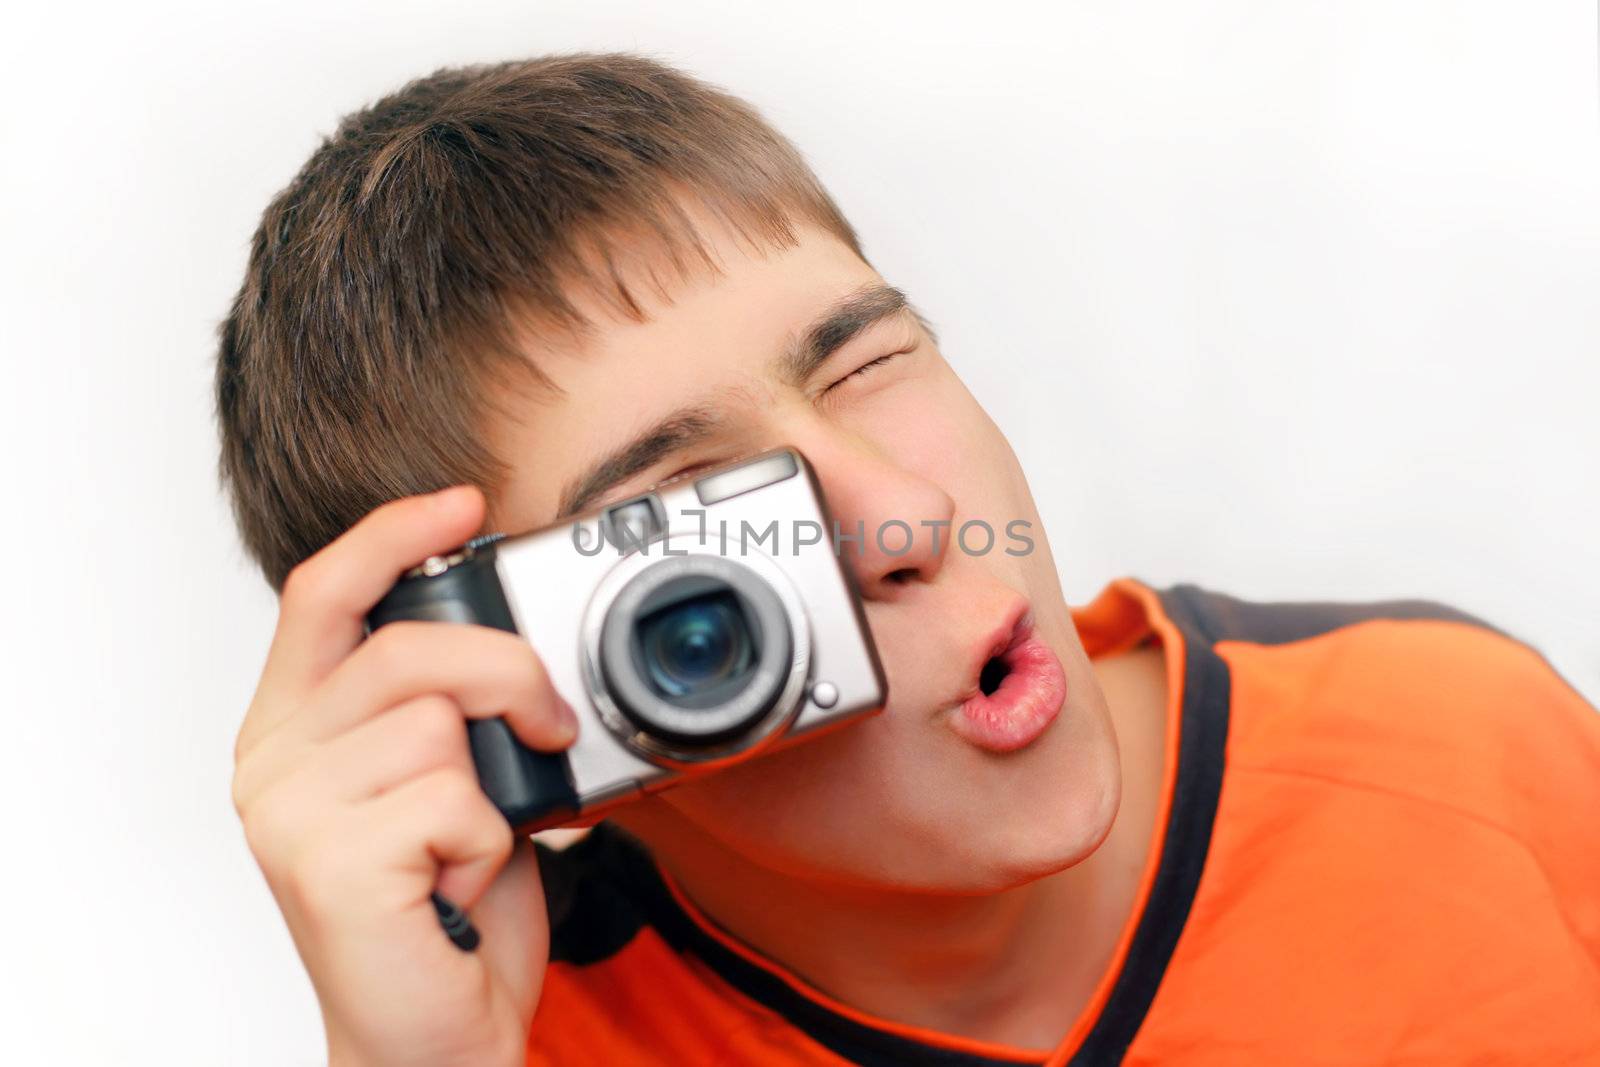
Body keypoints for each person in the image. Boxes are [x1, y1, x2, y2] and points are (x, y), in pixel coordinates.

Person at [217, 53, 1600, 1066]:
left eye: (867, 364)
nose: (902, 522)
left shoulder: (1455, 747)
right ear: (498, 701)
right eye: (698, 513)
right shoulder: (511, 1044)